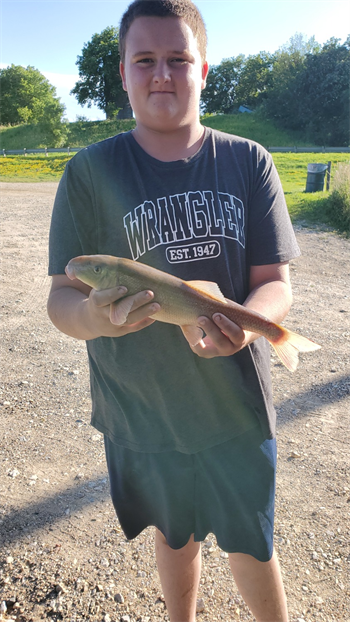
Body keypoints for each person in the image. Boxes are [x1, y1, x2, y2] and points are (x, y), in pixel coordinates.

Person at [47, 1, 300, 620]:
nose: (163, 73)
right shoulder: (87, 172)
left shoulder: (249, 161)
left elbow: (275, 283)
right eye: (145, 60)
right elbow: (61, 297)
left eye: (179, 59)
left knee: (252, 543)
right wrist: (94, 319)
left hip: (235, 407)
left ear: (204, 70)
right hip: (140, 412)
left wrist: (248, 327)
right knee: (173, 535)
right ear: (124, 73)